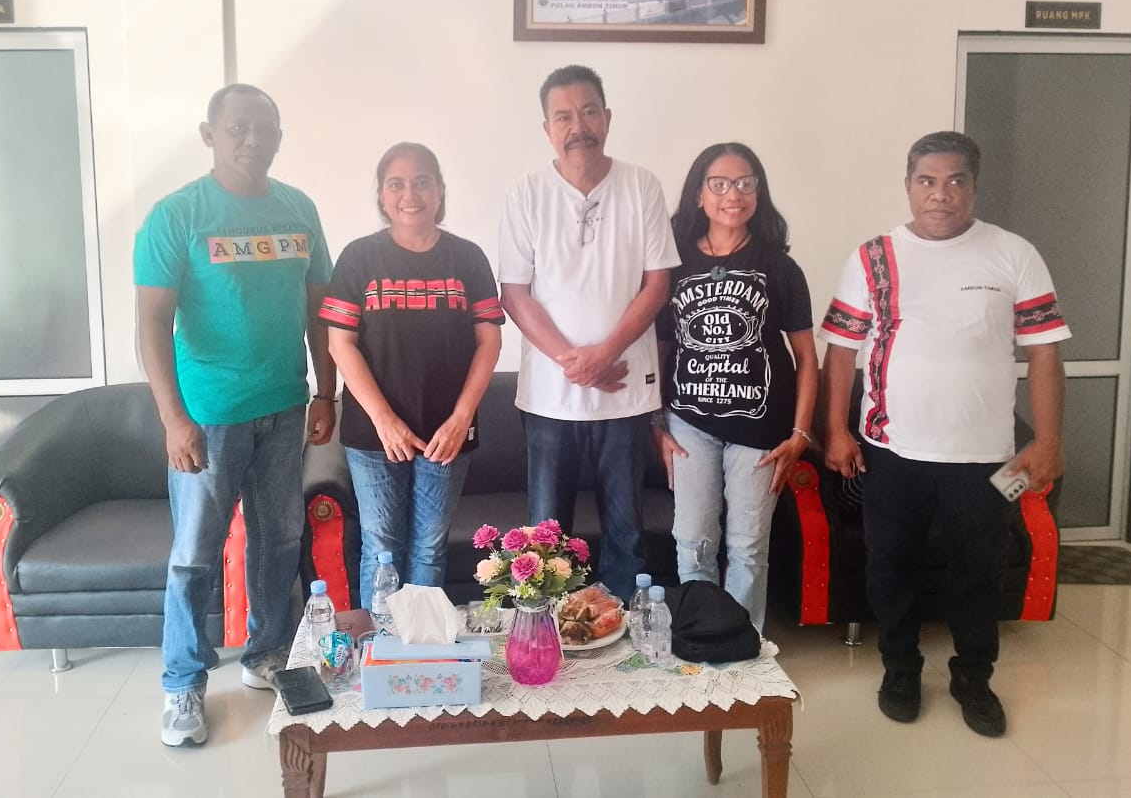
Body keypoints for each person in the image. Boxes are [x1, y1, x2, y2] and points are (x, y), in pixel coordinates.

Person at [819, 130, 1069, 738]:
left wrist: (1048, 441)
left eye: (956, 181)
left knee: (979, 571)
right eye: (927, 181)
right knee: (890, 566)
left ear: (974, 187)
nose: (941, 194)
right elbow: (841, 353)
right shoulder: (874, 257)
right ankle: (900, 670)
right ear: (908, 186)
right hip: (890, 451)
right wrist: (836, 432)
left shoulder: (1013, 254)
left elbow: (1044, 353)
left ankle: (973, 678)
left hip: (986, 459)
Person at [135, 84, 336, 748]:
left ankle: (266, 653)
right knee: (195, 554)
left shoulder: (299, 210)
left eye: (264, 129)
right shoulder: (178, 215)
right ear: (209, 134)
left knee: (279, 541)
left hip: (283, 406)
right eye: (237, 128)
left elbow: (319, 310)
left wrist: (326, 392)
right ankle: (183, 682)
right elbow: (151, 323)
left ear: (279, 137)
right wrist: (173, 418)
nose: (252, 140)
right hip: (208, 417)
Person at [498, 64, 680, 601]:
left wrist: (605, 354)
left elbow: (657, 283)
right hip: (550, 397)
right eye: (563, 116)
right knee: (545, 538)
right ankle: (546, 627)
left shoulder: (642, 185)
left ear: (607, 118)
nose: (578, 126)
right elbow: (515, 293)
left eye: (588, 111)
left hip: (625, 394)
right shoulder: (526, 193)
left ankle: (623, 625)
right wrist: (574, 362)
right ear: (547, 128)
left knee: (626, 533)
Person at [319, 143, 503, 611]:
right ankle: (380, 647)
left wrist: (462, 419)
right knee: (381, 546)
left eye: (422, 182)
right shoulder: (359, 257)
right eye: (396, 184)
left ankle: (421, 646)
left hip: (447, 433)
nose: (410, 194)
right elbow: (340, 343)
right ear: (382, 196)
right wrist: (384, 420)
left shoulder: (467, 258)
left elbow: (489, 342)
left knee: (429, 548)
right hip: (372, 435)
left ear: (440, 192)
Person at [654, 143, 817, 633]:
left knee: (747, 546)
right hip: (688, 424)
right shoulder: (672, 265)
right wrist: (655, 424)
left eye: (745, 183)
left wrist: (800, 434)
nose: (733, 194)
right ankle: (701, 638)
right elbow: (658, 350)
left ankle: (743, 649)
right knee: (692, 542)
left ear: (758, 192)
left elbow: (807, 358)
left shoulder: (780, 268)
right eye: (720, 184)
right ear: (699, 195)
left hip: (762, 428)